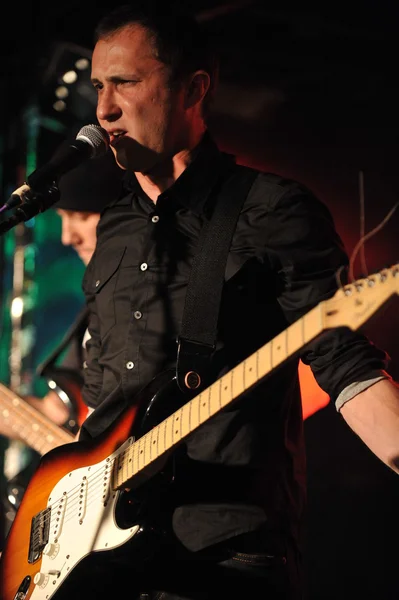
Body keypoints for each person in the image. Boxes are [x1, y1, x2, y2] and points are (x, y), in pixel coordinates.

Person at [9, 3, 399, 599]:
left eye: (127, 84)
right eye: (98, 87)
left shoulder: (270, 211)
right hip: (98, 570)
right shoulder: (114, 228)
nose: (104, 109)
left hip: (220, 563)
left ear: (194, 89)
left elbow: (344, 366)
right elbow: (107, 400)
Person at [0, 149, 124, 546]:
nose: (69, 236)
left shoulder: (152, 305)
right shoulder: (92, 315)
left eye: (82, 217)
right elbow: (60, 414)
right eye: (63, 219)